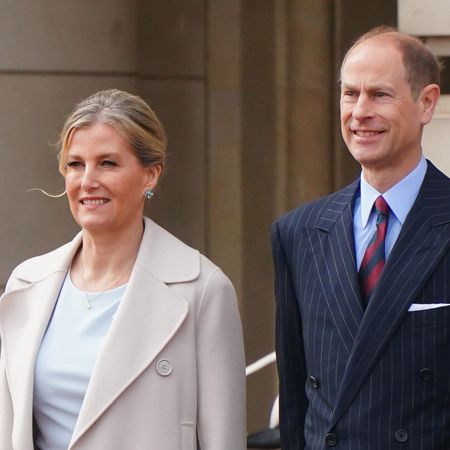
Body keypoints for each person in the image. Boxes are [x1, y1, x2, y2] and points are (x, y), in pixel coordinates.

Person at [0, 89, 246, 450]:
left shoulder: (203, 290)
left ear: (151, 175)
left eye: (108, 163)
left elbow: (223, 441)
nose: (87, 181)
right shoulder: (27, 284)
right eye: (75, 164)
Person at [272, 26, 450, 449]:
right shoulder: (297, 232)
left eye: (380, 95)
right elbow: (296, 398)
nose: (359, 112)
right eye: (350, 94)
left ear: (426, 103)